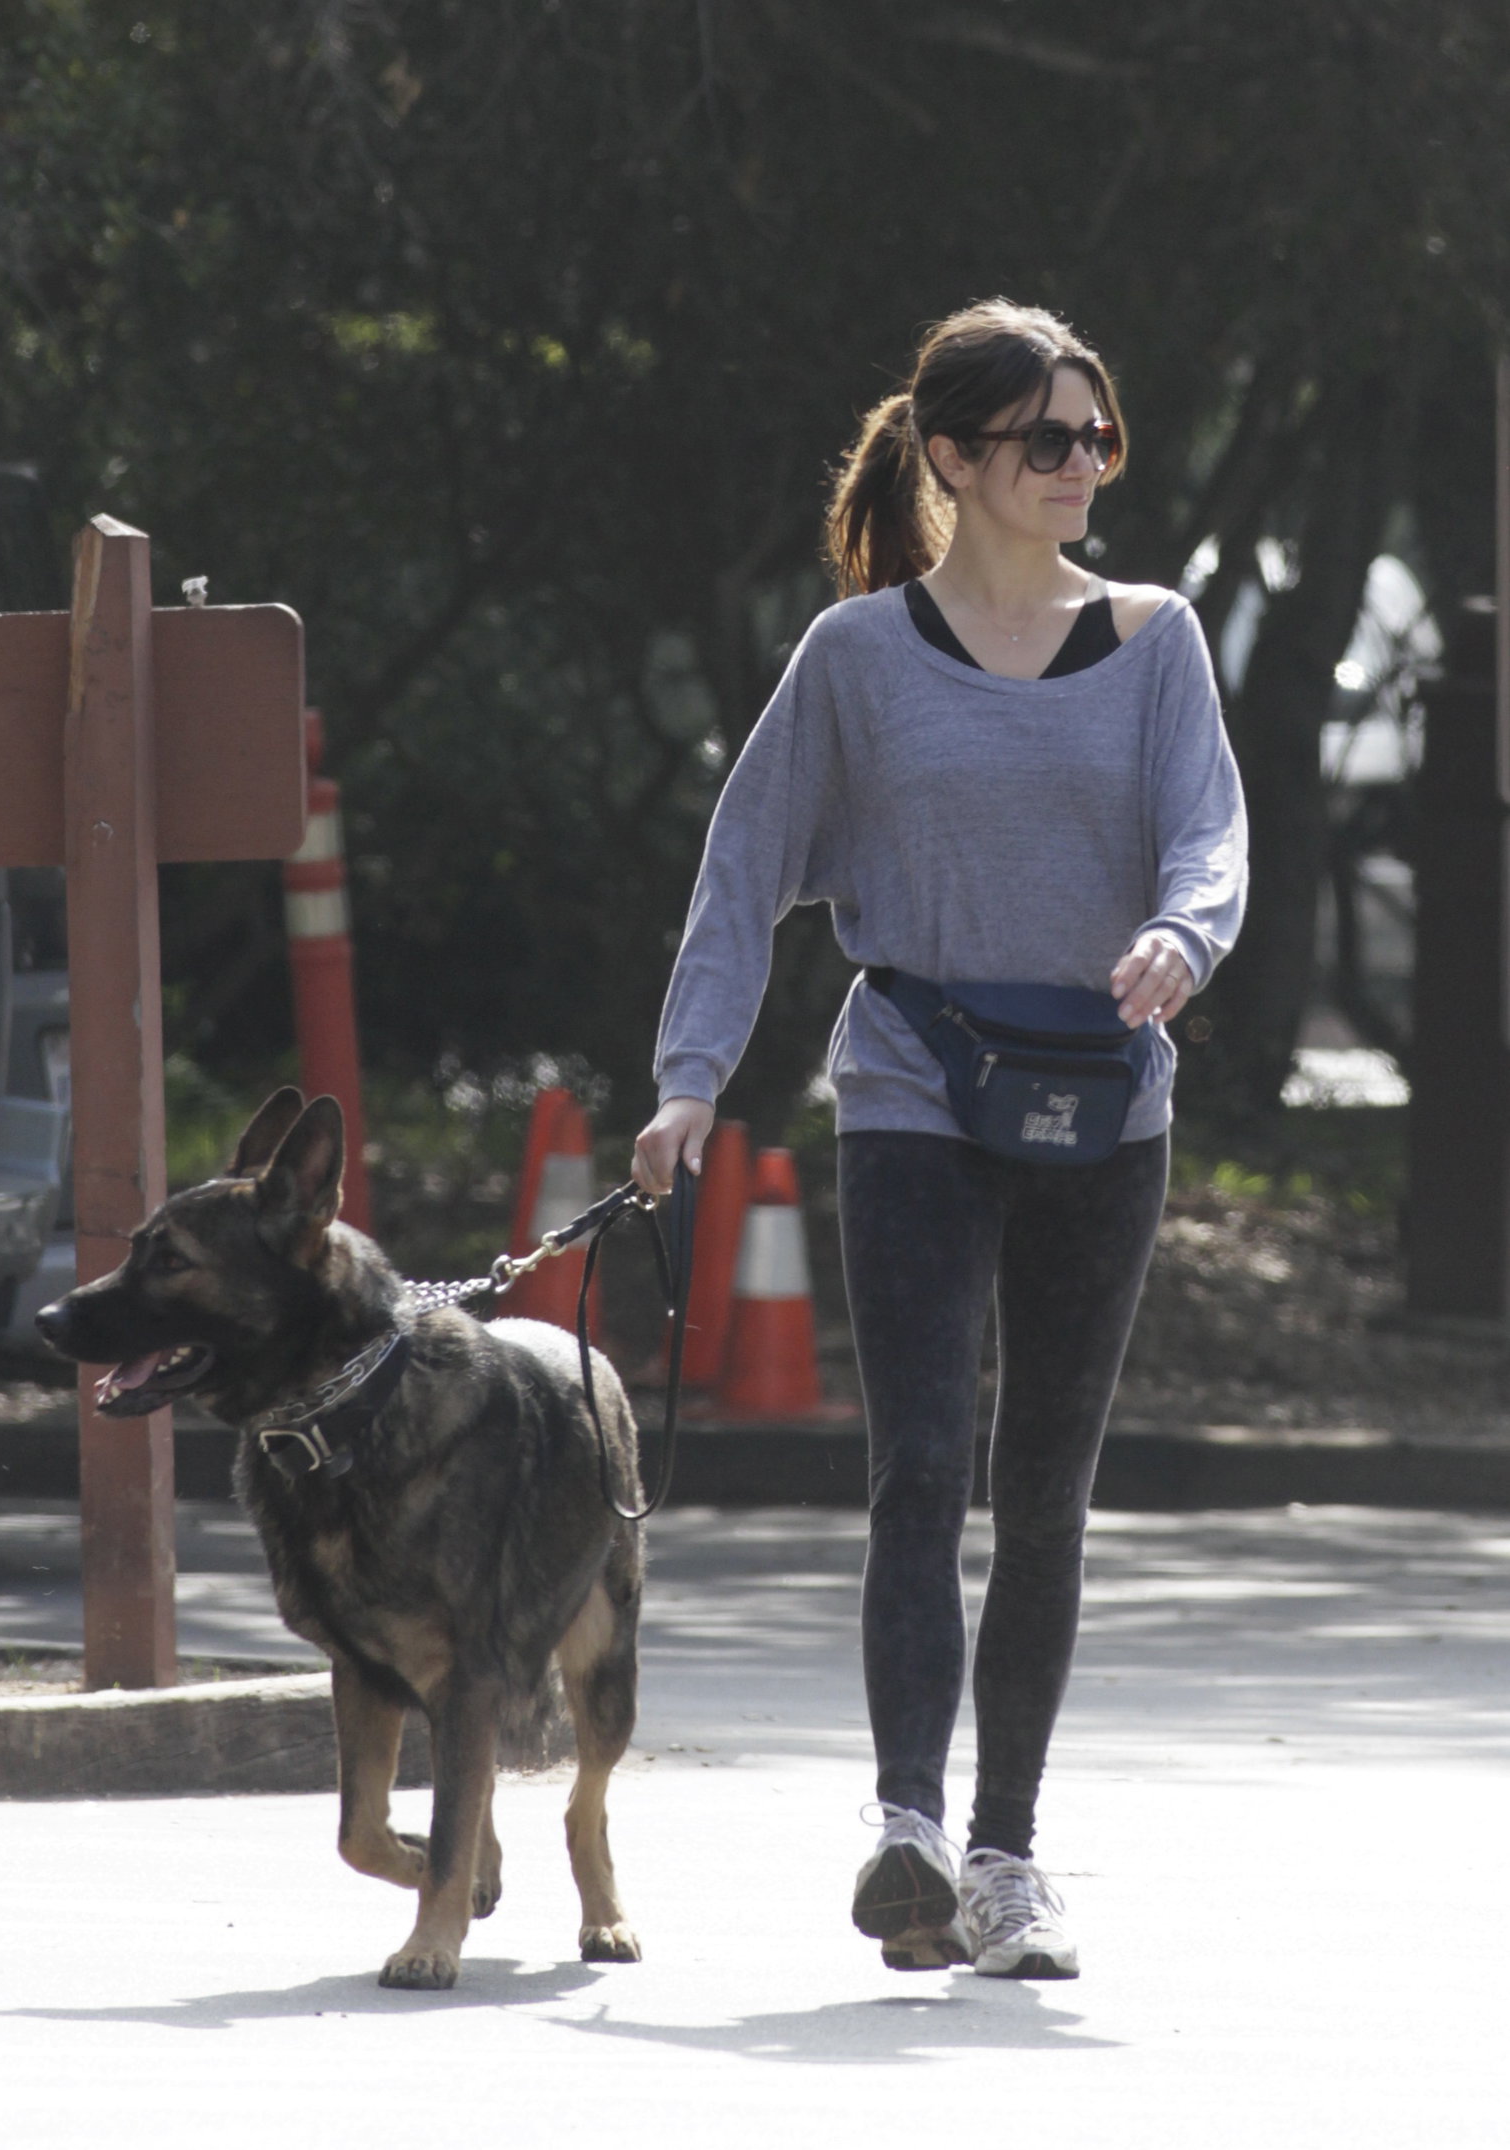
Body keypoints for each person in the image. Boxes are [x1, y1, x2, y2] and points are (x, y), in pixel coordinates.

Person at [633, 298, 1246, 1979]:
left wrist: (1181, 937)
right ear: (957, 458)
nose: (1082, 462)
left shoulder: (1158, 639)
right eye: (1047, 437)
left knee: (1043, 1490)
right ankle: (907, 1826)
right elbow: (745, 865)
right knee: (919, 1467)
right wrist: (691, 1077)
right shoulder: (857, 656)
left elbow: (1211, 837)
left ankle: (1005, 1859)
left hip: (1108, 1100)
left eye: (1098, 433)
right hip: (914, 1083)